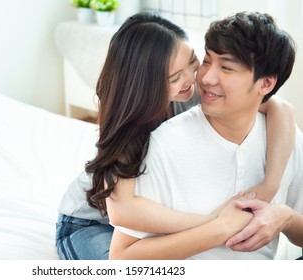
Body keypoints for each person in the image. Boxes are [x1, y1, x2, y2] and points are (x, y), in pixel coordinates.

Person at [56, 11, 296, 260]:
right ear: (147, 83)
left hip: (143, 227)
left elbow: (280, 108)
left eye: (193, 63)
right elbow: (123, 212)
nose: (195, 81)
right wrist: (214, 222)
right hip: (91, 223)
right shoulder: (130, 125)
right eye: (174, 77)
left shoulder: (192, 92)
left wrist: (270, 184)